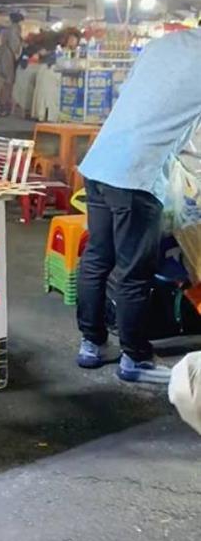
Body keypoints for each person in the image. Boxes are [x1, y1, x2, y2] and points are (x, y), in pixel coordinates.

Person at [76, 28, 201, 384]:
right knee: (134, 271)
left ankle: (91, 344)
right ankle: (135, 357)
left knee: (98, 257)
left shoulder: (161, 44)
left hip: (100, 163)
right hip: (136, 174)